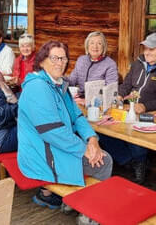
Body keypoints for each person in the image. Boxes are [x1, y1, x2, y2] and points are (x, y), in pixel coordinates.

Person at [18, 41, 112, 215]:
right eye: (54, 58)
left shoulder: (59, 85)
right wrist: (84, 149)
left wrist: (92, 140)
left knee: (99, 153)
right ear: (42, 60)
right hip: (40, 154)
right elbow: (51, 131)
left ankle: (75, 203)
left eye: (63, 58)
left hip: (53, 147)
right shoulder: (37, 87)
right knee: (104, 161)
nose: (59, 63)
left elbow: (77, 117)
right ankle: (89, 214)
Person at [99, 32, 156, 184]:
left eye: (151, 49)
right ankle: (129, 161)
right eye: (145, 48)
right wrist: (118, 95)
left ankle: (139, 163)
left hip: (152, 114)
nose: (146, 52)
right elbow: (126, 85)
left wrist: (145, 106)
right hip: (128, 109)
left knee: (135, 131)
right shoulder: (138, 63)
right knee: (102, 130)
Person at [67, 31, 118, 99]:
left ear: (104, 47)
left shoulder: (110, 64)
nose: (95, 46)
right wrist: (59, 79)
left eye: (99, 43)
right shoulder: (81, 60)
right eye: (92, 43)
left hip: (98, 102)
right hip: (79, 98)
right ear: (87, 46)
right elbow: (71, 80)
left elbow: (110, 91)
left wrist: (89, 101)